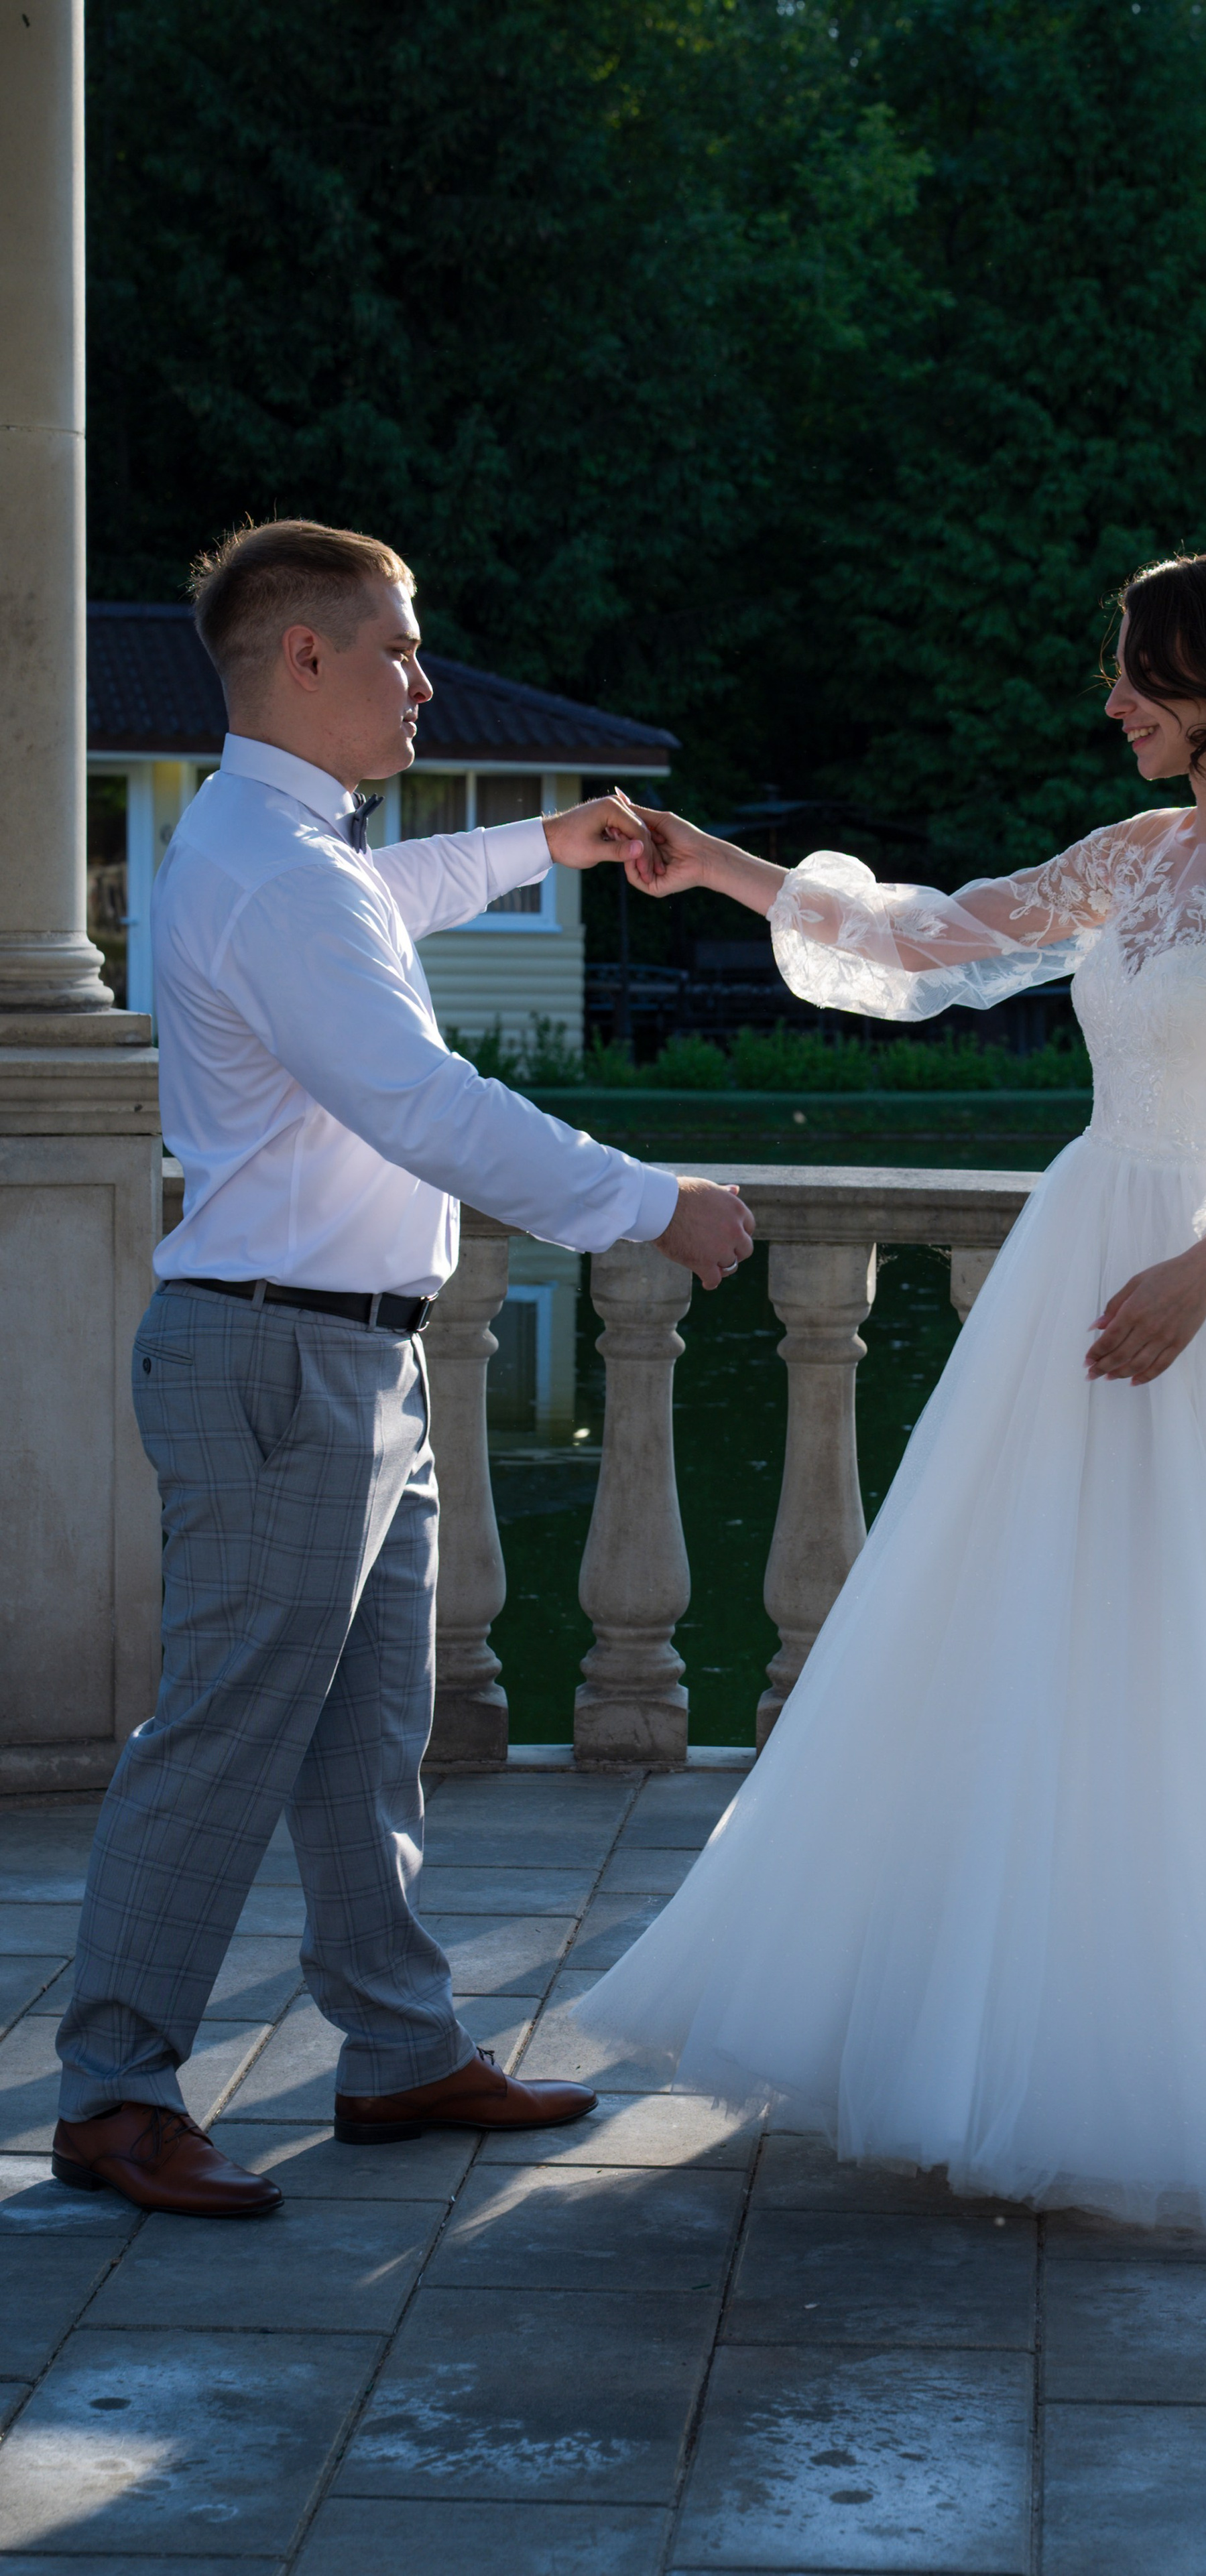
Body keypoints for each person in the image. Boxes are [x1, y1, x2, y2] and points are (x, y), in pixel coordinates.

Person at [570, 553, 1206, 2232]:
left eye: (1138, 674)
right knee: (1017, 1627)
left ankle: (1198, 2060)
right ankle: (986, 2030)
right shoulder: (1138, 857)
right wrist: (706, 858)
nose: (1113, 703)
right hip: (1076, 1266)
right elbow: (924, 937)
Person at [52, 519, 755, 2218]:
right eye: (396, 648)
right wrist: (651, 1203)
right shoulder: (279, 877)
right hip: (283, 1358)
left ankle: (396, 2047)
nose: (422, 678)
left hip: (344, 1357)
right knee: (222, 1736)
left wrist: (545, 842)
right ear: (304, 657)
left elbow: (386, 901)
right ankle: (114, 2095)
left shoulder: (278, 846)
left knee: (371, 1733)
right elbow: (424, 1103)